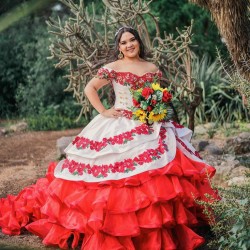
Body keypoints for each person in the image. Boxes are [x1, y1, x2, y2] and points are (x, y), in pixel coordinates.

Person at [0, 27, 218, 250]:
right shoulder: (112, 68)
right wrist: (104, 111)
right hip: (119, 122)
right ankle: (111, 227)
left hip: (150, 124)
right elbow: (90, 88)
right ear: (119, 47)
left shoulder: (152, 68)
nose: (129, 45)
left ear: (139, 41)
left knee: (160, 172)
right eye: (123, 43)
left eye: (132, 40)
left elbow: (152, 94)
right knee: (112, 178)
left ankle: (157, 229)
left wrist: (153, 109)